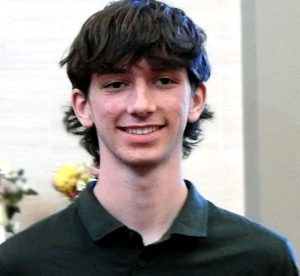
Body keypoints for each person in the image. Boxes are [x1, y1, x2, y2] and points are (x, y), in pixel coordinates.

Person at [0, 0, 298, 275]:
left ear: (196, 99)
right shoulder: (20, 264)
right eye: (116, 84)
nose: (141, 105)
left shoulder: (263, 260)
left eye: (163, 81)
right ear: (83, 106)